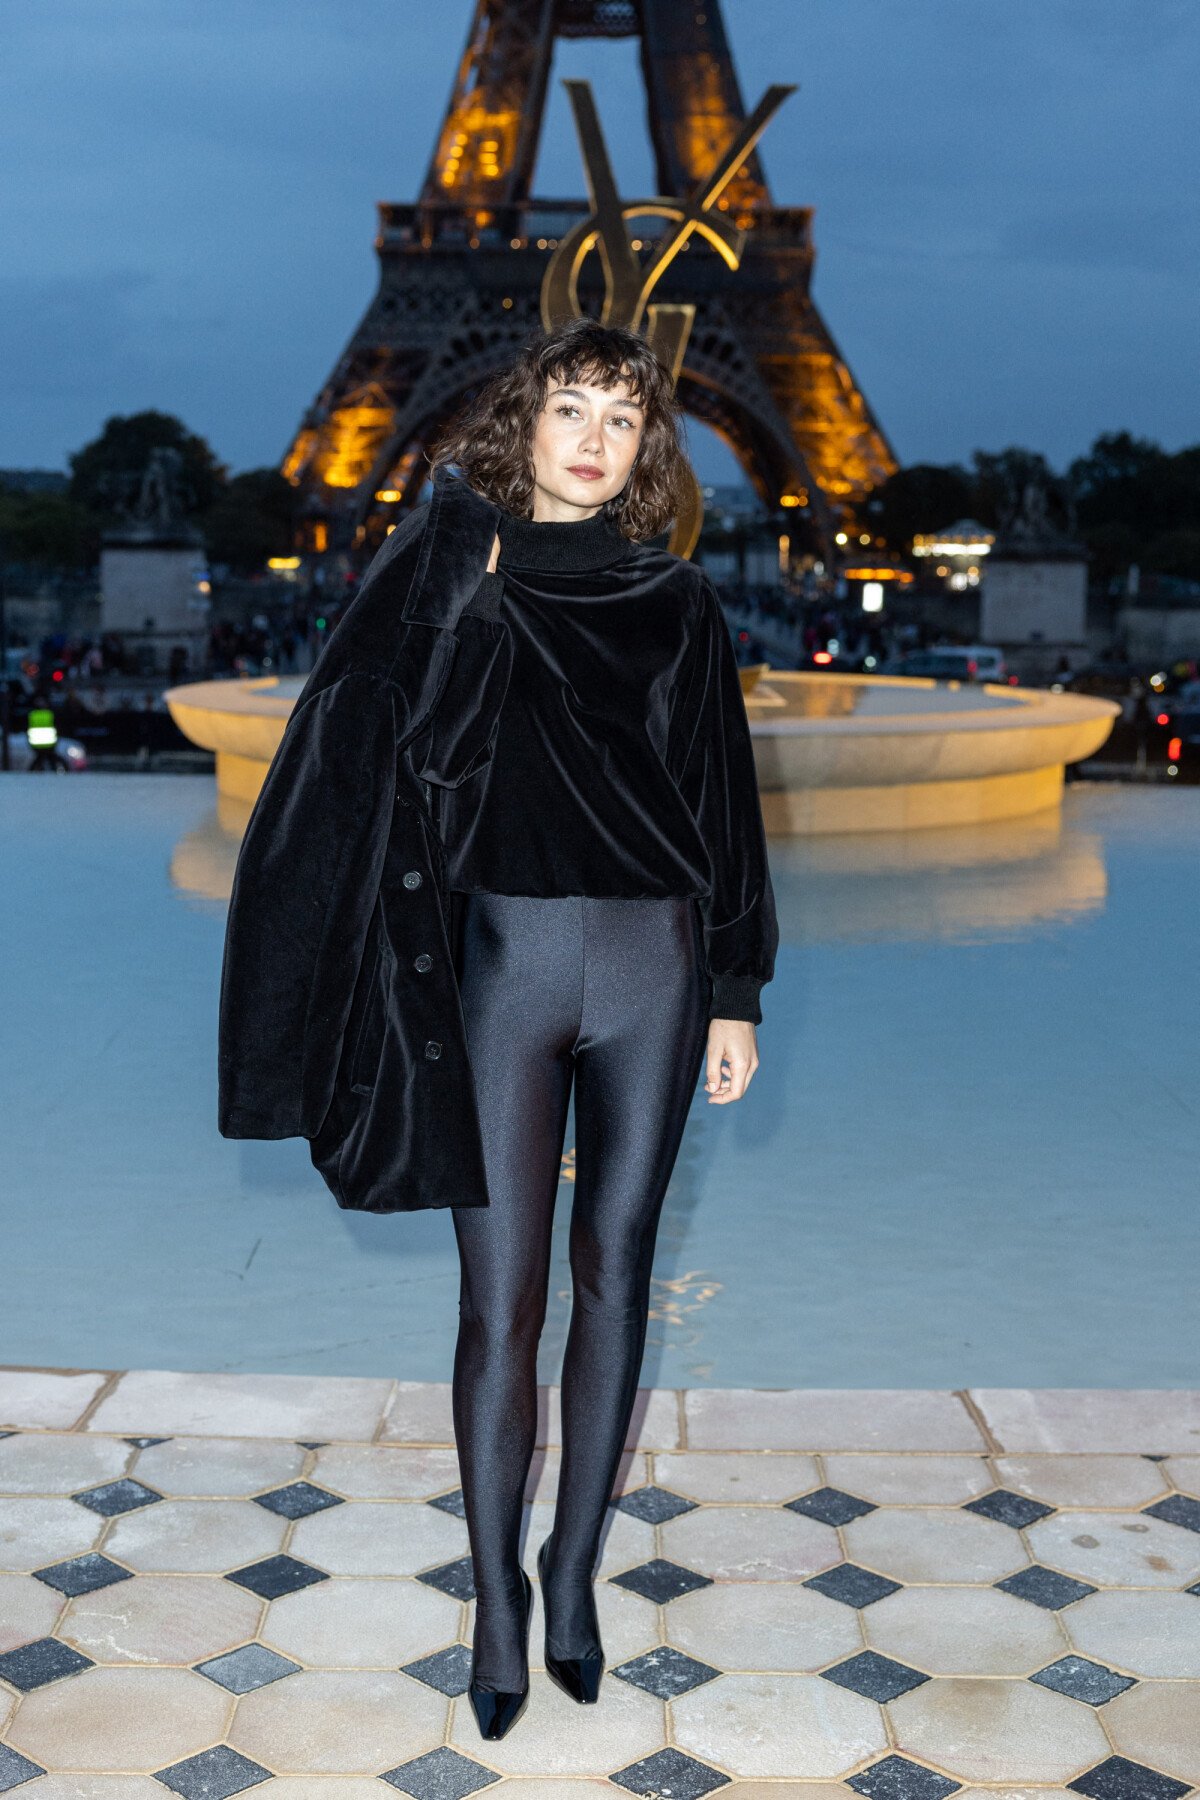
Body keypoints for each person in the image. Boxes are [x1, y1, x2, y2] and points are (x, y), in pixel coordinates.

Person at [412, 318, 777, 1739]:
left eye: (619, 420)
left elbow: (724, 805)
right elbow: (386, 760)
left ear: (642, 453)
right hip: (501, 965)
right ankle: (498, 1602)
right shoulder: (464, 576)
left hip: (652, 970)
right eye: (569, 407)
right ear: (529, 420)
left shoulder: (677, 601)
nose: (590, 436)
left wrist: (736, 990)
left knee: (613, 1274)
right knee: (497, 1301)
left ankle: (570, 1575)